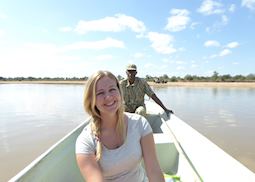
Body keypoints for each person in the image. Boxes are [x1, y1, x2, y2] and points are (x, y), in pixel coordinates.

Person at [76, 70, 164, 182]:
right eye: (100, 93)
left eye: (112, 89)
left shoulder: (140, 124)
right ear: (91, 100)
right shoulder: (85, 140)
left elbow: (153, 170)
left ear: (119, 92)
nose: (108, 97)